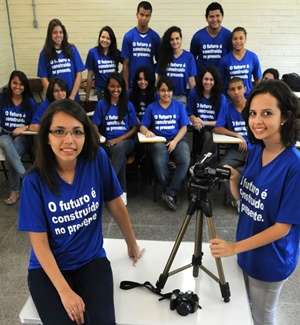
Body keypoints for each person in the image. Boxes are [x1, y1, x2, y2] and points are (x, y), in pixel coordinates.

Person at [18, 99, 142, 325]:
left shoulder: (97, 160)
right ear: (47, 136)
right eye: (59, 131)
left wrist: (131, 242)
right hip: (48, 270)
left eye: (77, 132)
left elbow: (115, 202)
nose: (69, 140)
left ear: (86, 135)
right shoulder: (33, 182)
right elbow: (39, 244)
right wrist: (65, 292)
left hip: (90, 260)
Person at [210, 80, 300, 325]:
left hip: (271, 260)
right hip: (248, 250)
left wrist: (233, 247)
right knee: (247, 310)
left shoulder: (294, 166)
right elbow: (247, 202)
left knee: (262, 316)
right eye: (253, 113)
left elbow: (283, 228)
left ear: (285, 117)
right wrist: (235, 180)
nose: (257, 120)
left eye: (267, 113)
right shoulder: (256, 149)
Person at [140, 76, 190, 211]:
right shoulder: (152, 107)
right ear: (157, 92)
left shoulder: (179, 106)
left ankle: (169, 192)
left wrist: (174, 141)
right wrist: (146, 132)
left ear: (172, 92)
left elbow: (184, 127)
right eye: (163, 90)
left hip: (177, 140)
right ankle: (173, 190)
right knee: (160, 164)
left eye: (169, 90)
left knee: (185, 160)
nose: (166, 93)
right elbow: (142, 126)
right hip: (159, 141)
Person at [92, 73, 138, 205]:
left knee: (120, 148)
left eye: (118, 86)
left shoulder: (128, 105)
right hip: (107, 142)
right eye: (112, 86)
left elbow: (135, 128)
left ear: (123, 88)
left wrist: (118, 140)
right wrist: (100, 136)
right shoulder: (102, 104)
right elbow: (94, 124)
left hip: (127, 142)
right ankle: (122, 192)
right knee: (119, 155)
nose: (115, 89)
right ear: (107, 87)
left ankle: (105, 186)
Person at [0, 70, 36, 205]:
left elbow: (35, 124)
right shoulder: (2, 99)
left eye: (21, 84)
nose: (17, 86)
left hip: (23, 137)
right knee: (5, 142)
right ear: (10, 83)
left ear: (25, 86)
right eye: (15, 83)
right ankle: (27, 179)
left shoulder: (30, 102)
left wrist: (24, 128)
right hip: (3, 134)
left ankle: (15, 191)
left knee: (11, 155)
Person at [213, 77, 248, 203]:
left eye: (239, 88)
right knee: (222, 170)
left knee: (255, 171)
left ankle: (250, 199)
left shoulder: (253, 106)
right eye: (232, 89)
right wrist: (237, 135)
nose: (236, 92)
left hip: (255, 149)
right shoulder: (227, 107)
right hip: (237, 149)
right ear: (228, 92)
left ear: (245, 88)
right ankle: (237, 200)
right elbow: (217, 128)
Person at [37, 18, 85, 100]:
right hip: (55, 99)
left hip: (72, 97)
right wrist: (54, 96)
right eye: (55, 33)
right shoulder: (44, 53)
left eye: (61, 32)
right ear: (50, 35)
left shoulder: (72, 49)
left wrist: (72, 96)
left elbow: (79, 74)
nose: (58, 35)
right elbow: (43, 78)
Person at [187, 66, 227, 161]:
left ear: (215, 81)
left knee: (207, 136)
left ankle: (200, 162)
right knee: (200, 134)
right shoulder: (194, 93)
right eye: (206, 79)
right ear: (201, 80)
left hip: (215, 129)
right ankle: (198, 161)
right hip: (198, 128)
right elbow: (189, 112)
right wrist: (194, 119)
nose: (208, 82)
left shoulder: (221, 98)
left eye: (211, 80)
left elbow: (220, 122)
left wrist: (203, 123)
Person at [121, 1, 160, 90]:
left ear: (150, 17)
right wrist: (126, 87)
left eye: (147, 15)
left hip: (149, 83)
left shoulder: (155, 37)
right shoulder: (128, 36)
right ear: (137, 15)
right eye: (141, 14)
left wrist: (151, 70)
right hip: (132, 83)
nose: (144, 18)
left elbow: (160, 62)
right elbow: (125, 64)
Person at [157, 26, 197, 105]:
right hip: (165, 97)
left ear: (181, 39)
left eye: (177, 38)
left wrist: (195, 98)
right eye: (172, 39)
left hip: (181, 98)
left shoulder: (189, 57)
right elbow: (159, 79)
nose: (175, 41)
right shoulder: (163, 56)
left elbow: (191, 81)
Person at [219, 26, 262, 97]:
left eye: (241, 38)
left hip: (248, 98)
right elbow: (220, 82)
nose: (238, 41)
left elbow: (258, 80)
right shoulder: (225, 60)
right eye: (235, 39)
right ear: (231, 40)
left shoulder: (253, 57)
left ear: (245, 39)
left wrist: (257, 96)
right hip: (230, 99)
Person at [190, 2, 231, 73]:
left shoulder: (229, 35)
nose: (215, 19)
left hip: (222, 80)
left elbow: (233, 57)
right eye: (211, 16)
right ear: (206, 18)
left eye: (217, 16)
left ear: (222, 17)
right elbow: (192, 59)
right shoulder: (198, 36)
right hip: (203, 80)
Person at [85, 26, 122, 101]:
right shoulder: (93, 53)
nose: (105, 40)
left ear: (112, 40)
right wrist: (87, 96)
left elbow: (127, 64)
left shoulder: (116, 53)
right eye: (103, 37)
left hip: (115, 90)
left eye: (108, 38)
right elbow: (90, 76)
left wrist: (120, 76)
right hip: (101, 90)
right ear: (99, 38)